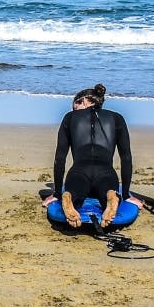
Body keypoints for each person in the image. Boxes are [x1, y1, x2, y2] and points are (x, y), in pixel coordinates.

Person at [53, 83, 135, 229]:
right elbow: (126, 158)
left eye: (74, 106)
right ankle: (111, 196)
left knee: (76, 191)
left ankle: (69, 197)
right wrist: (127, 194)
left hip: (79, 170)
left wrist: (58, 193)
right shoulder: (116, 118)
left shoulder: (70, 118)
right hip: (106, 171)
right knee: (107, 189)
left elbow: (60, 158)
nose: (74, 111)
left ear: (83, 101)